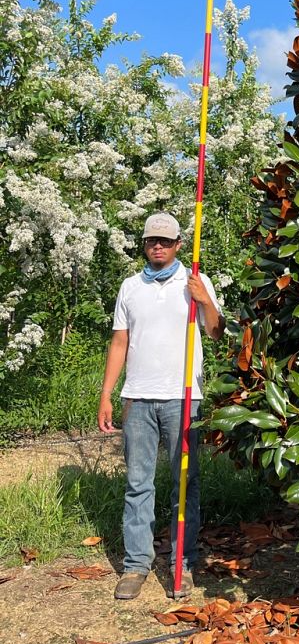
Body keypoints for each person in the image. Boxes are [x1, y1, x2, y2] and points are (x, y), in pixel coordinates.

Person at [97, 212, 224, 601]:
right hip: (137, 397)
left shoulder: (196, 283)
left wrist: (205, 302)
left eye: (165, 242)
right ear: (145, 244)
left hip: (183, 397)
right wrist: (107, 393)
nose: (158, 246)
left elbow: (217, 332)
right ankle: (136, 565)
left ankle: (181, 563)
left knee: (185, 484)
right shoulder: (130, 287)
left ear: (178, 246)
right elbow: (120, 342)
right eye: (152, 240)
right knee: (137, 485)